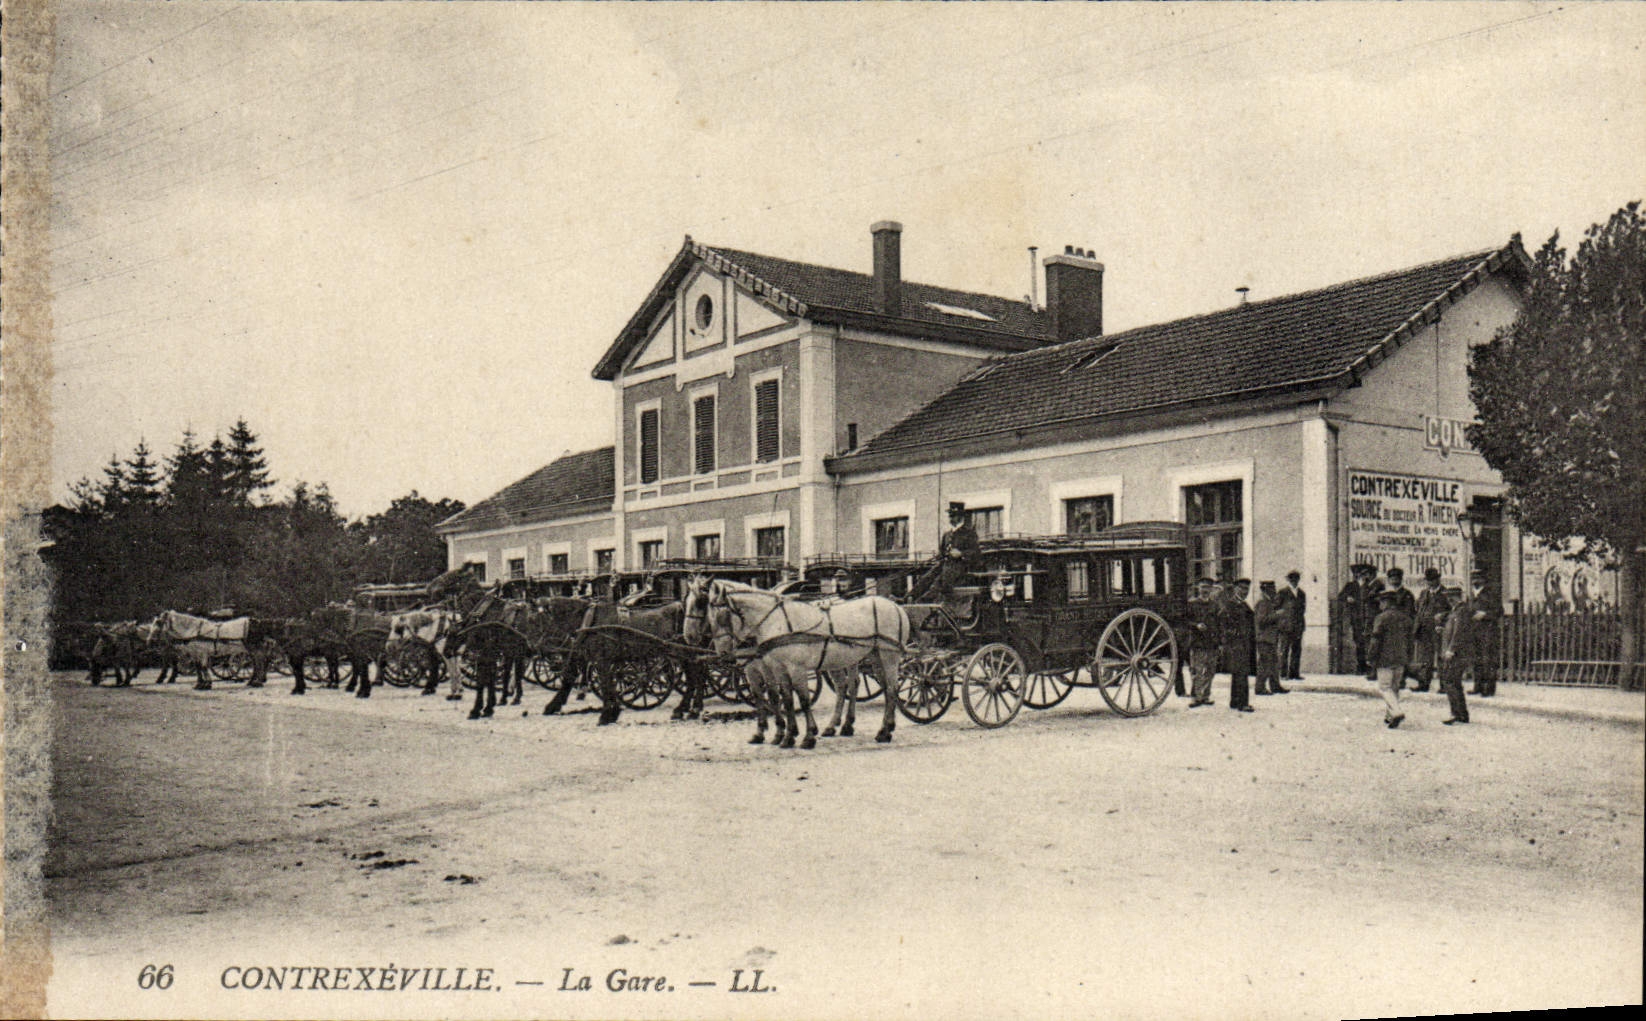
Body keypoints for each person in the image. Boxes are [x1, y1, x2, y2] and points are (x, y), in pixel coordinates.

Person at [906, 501, 980, 603]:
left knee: (939, 581)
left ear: (961, 517)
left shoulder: (969, 533)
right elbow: (942, 552)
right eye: (950, 516)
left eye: (953, 516)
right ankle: (908, 597)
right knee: (928, 576)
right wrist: (939, 557)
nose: (950, 518)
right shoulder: (947, 535)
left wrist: (961, 554)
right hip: (946, 565)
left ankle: (922, 601)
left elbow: (976, 553)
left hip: (961, 568)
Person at [1366, 589, 1414, 728]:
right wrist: (1408, 657)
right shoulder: (1405, 618)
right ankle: (1390, 715)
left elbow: (1375, 639)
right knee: (1394, 688)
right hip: (1401, 658)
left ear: (1386, 602)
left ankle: (1396, 712)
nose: (1380, 605)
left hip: (1385, 659)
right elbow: (1410, 641)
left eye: (1381, 602)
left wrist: (1370, 656)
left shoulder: (1381, 618)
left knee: (1385, 687)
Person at [1408, 567, 1452, 692]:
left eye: (1432, 579)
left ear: (1438, 579)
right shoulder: (1424, 593)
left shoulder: (1446, 594)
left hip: (1439, 629)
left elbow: (1453, 611)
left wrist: (1443, 616)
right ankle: (1423, 684)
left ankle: (1444, 685)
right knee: (1425, 658)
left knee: (1441, 657)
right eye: (1428, 580)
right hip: (1424, 629)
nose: (1430, 582)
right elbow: (1418, 609)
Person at [1436, 585, 1472, 725]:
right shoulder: (1456, 610)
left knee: (1450, 681)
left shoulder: (1461, 611)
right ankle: (1461, 714)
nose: (1449, 600)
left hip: (1457, 653)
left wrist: (1451, 649)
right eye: (1448, 597)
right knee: (1454, 682)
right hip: (1455, 651)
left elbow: (1459, 632)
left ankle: (1456, 713)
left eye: (1451, 597)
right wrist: (1444, 629)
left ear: (1457, 597)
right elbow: (1453, 629)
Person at [1337, 563, 1382, 673]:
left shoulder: (1371, 585)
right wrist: (1347, 598)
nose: (1360, 575)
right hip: (1357, 618)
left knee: (1371, 641)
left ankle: (1371, 666)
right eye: (1357, 573)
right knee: (1359, 642)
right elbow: (1341, 596)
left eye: (1363, 573)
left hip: (1369, 618)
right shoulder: (1351, 585)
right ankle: (1361, 666)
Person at [1220, 578, 1256, 712]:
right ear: (1235, 589)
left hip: (1244, 644)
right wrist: (1230, 634)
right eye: (1242, 588)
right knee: (1241, 673)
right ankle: (1243, 703)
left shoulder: (1244, 605)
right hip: (1235, 644)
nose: (1245, 592)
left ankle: (1235, 701)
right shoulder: (1230, 605)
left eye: (1247, 589)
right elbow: (1222, 622)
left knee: (1238, 673)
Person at [1186, 577, 1221, 707]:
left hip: (1212, 642)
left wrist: (1219, 642)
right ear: (1198, 588)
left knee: (1210, 671)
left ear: (1211, 589)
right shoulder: (1192, 604)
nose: (1205, 590)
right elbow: (1185, 621)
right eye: (1203, 587)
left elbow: (1219, 623)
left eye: (1207, 587)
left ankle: (1205, 696)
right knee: (1197, 671)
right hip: (1198, 642)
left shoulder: (1215, 605)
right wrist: (1196, 625)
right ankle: (1196, 697)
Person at [1467, 570, 1500, 697]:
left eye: (1478, 578)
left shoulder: (1491, 594)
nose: (1475, 581)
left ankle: (1488, 688)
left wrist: (1485, 615)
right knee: (1476, 659)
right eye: (1473, 578)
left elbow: (1498, 611)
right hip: (1474, 630)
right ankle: (1477, 686)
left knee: (1488, 660)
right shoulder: (1471, 595)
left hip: (1487, 631)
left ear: (1483, 580)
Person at [1275, 569, 1306, 682]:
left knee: (1296, 650)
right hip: (1285, 626)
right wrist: (1282, 620)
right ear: (1288, 580)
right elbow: (1276, 607)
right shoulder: (1282, 592)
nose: (1294, 581)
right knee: (1284, 650)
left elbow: (1303, 609)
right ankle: (1283, 673)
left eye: (1296, 578)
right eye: (1292, 579)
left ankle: (1294, 673)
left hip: (1298, 626)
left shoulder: (1301, 593)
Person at [1253, 581, 1281, 696]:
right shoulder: (1263, 602)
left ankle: (1275, 686)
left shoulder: (1268, 601)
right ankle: (1260, 688)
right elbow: (1261, 620)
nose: (1274, 591)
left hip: (1269, 638)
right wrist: (1277, 615)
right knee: (1264, 663)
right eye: (1272, 589)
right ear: (1266, 589)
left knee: (1273, 662)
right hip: (1264, 638)